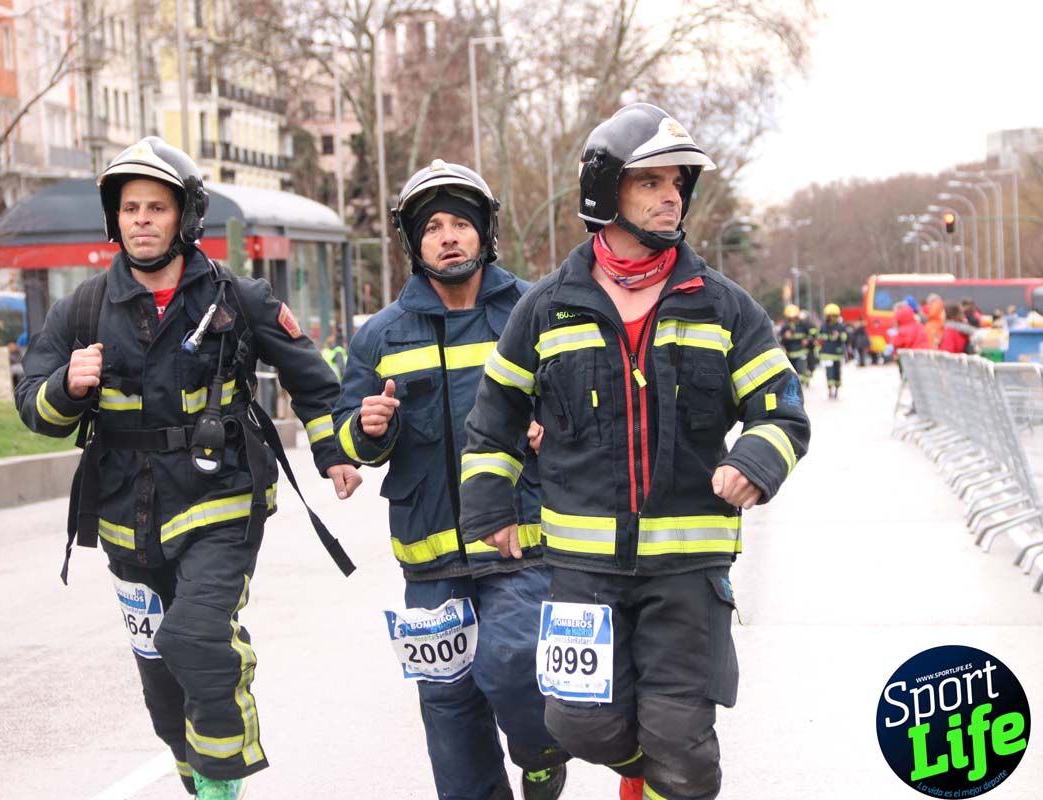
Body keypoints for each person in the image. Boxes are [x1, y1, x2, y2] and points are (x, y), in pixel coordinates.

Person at [458, 103, 811, 800]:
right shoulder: (547, 308)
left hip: (690, 570)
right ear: (605, 190)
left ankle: (663, 783)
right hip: (583, 571)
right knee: (580, 725)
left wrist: (755, 461)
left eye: (676, 182)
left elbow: (784, 412)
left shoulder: (723, 307)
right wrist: (490, 508)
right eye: (649, 182)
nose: (669, 195)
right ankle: (637, 776)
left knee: (681, 740)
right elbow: (494, 417)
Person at [15, 137, 361, 800]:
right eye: (130, 208)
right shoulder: (82, 308)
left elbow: (313, 380)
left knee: (197, 638)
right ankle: (196, 774)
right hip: (125, 522)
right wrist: (66, 386)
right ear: (114, 220)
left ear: (185, 217)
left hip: (219, 507)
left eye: (157, 207)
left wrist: (334, 451)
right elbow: (34, 405)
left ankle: (223, 786)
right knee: (162, 688)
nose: (142, 219)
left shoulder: (237, 297)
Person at [333, 159, 569, 800]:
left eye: (460, 222)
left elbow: (581, 402)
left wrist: (555, 422)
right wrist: (368, 429)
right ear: (415, 244)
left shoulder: (536, 311)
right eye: (432, 226)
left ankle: (541, 751)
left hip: (520, 542)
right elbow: (346, 436)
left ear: (485, 232)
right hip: (429, 556)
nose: (447, 236)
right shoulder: (380, 335)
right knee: (450, 705)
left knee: (515, 660)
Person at [778, 304, 812, 386]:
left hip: (801, 352)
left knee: (801, 369)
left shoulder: (803, 325)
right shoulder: (785, 327)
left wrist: (807, 339)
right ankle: (797, 383)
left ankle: (804, 382)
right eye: (790, 317)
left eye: (794, 317)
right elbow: (779, 339)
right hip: (790, 353)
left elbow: (812, 334)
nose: (792, 319)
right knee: (793, 371)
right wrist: (785, 337)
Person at [819, 303, 847, 399]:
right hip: (826, 354)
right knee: (829, 373)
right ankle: (830, 390)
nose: (831, 318)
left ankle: (837, 391)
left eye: (833, 316)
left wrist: (838, 335)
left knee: (837, 373)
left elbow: (845, 338)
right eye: (829, 316)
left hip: (837, 354)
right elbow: (819, 337)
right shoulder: (823, 327)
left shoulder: (841, 327)